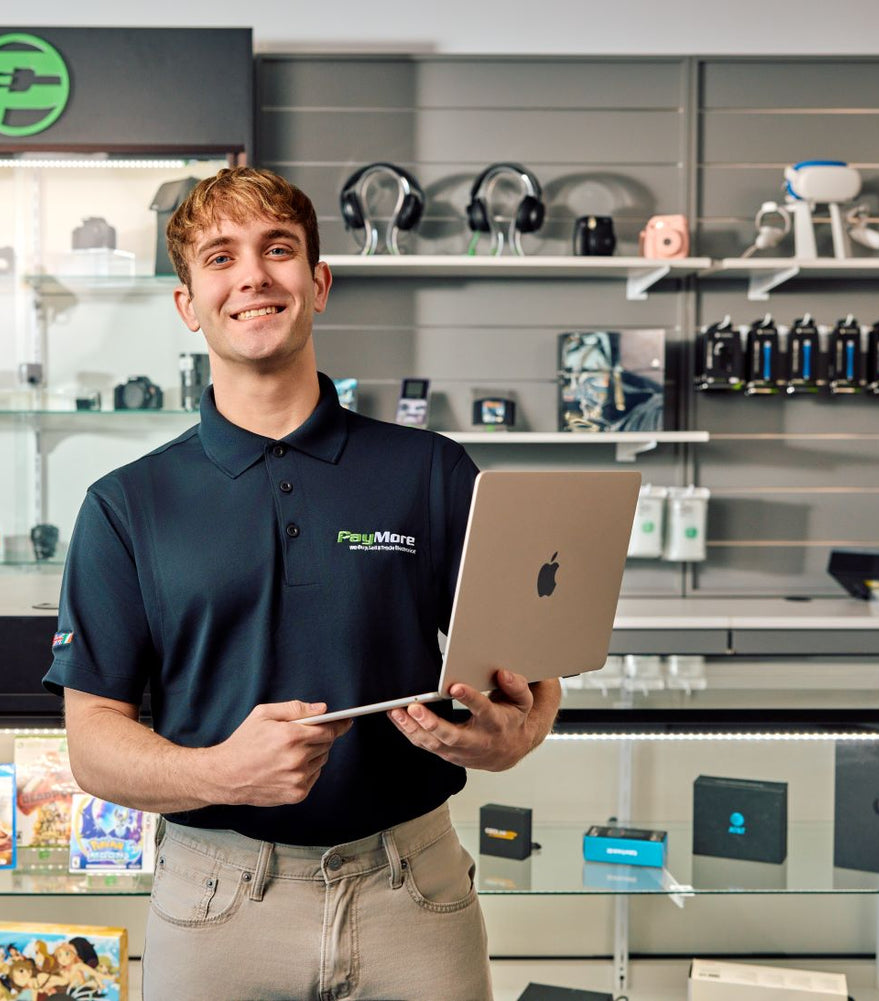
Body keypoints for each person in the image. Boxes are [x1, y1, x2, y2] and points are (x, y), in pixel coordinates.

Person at [43, 166, 560, 1000]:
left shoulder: (431, 472)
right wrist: (221, 773)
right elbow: (92, 744)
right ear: (188, 304)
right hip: (217, 905)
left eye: (277, 249)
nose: (252, 274)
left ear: (317, 282)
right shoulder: (125, 505)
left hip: (414, 891)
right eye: (220, 257)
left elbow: (533, 677)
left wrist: (515, 736)